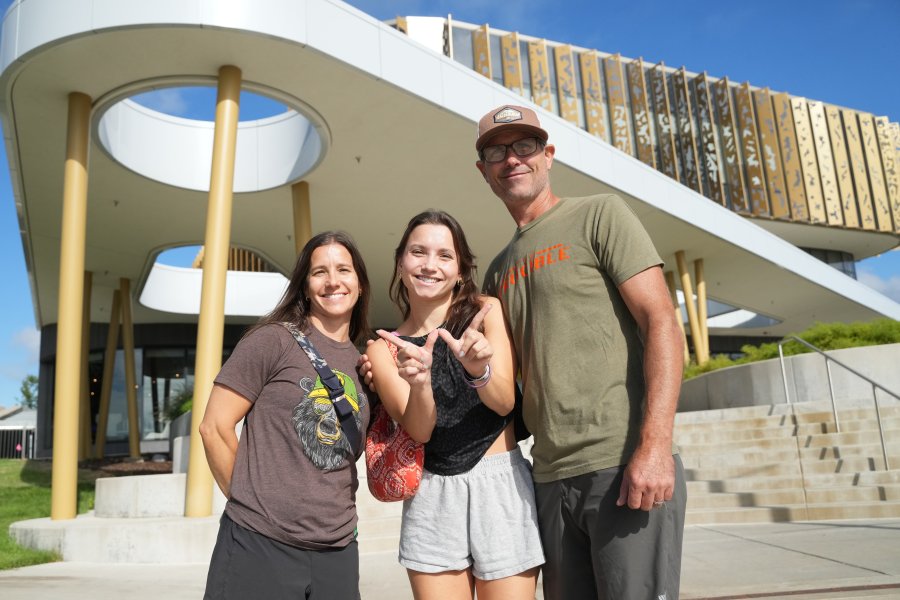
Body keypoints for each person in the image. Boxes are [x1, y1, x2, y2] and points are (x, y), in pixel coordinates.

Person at [475, 105, 687, 600]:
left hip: (622, 464)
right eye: (497, 151)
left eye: (524, 145)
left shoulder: (599, 214)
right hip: (549, 478)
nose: (512, 159)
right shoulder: (497, 271)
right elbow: (499, 382)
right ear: (483, 171)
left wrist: (654, 446)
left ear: (548, 154)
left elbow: (661, 322)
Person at [366, 210, 544, 600]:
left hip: (501, 487)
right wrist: (419, 382)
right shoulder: (384, 349)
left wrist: (478, 368)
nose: (430, 265)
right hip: (431, 496)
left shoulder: (486, 312)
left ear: (461, 270)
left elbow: (503, 404)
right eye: (418, 252)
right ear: (400, 263)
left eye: (445, 255)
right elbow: (419, 431)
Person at [200, 231, 372, 600]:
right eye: (319, 272)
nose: (333, 281)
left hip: (338, 549)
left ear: (359, 283)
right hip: (260, 543)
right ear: (305, 286)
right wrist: (251, 505)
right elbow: (214, 426)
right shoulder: (272, 340)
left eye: (343, 270)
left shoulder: (364, 364)